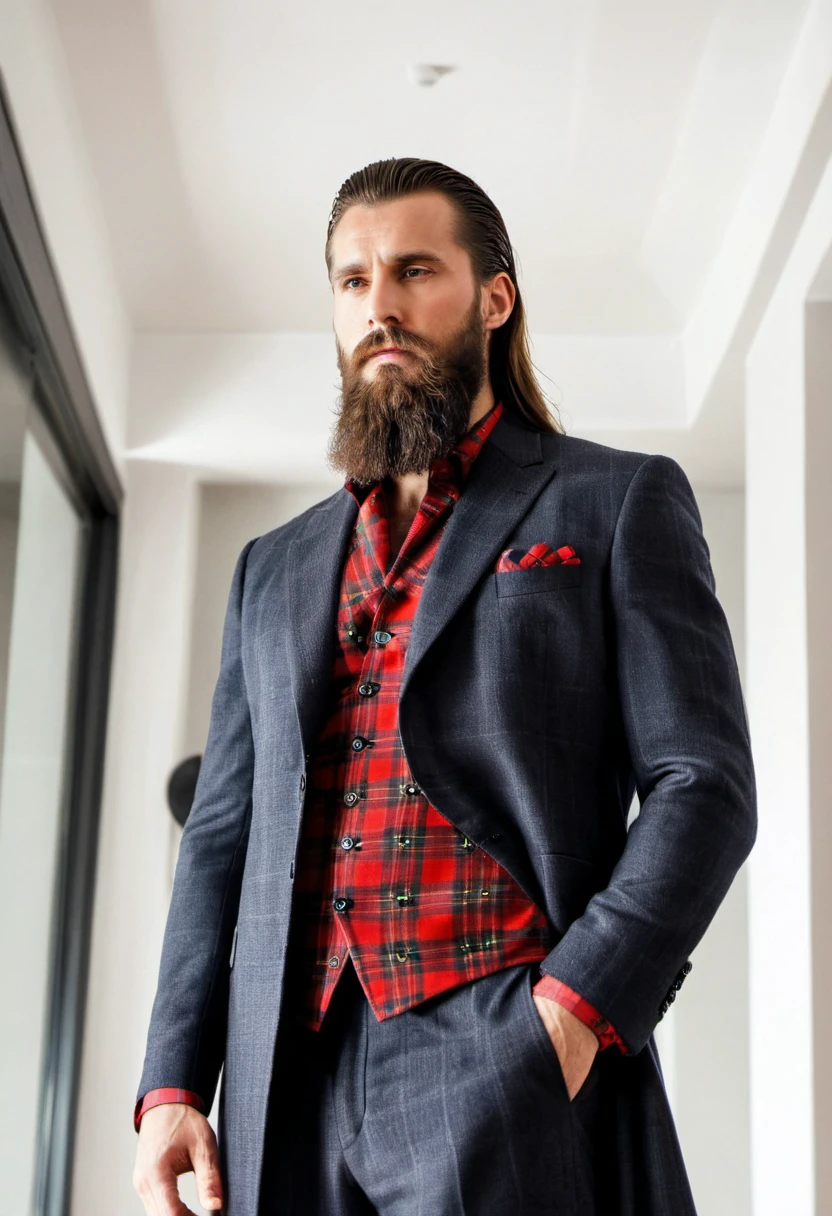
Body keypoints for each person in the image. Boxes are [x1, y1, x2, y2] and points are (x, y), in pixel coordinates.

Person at [132, 157, 756, 1216]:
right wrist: (172, 1084)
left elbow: (703, 784)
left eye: (414, 270)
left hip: (500, 1041)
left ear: (493, 297)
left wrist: (570, 1010)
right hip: (286, 1078)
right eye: (351, 280)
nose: (379, 304)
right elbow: (220, 840)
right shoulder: (271, 568)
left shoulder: (612, 501)